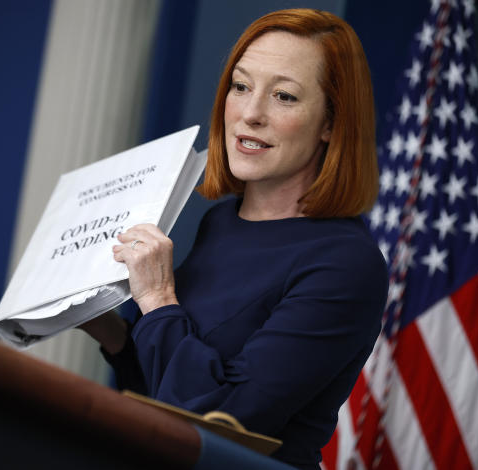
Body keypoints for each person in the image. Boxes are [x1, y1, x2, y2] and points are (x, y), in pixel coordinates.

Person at [80, 9, 388, 470]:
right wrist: (108, 330)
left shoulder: (345, 264)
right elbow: (168, 389)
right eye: (241, 86)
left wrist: (159, 299)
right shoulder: (221, 221)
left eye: (284, 96)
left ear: (331, 123)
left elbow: (219, 422)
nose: (250, 113)